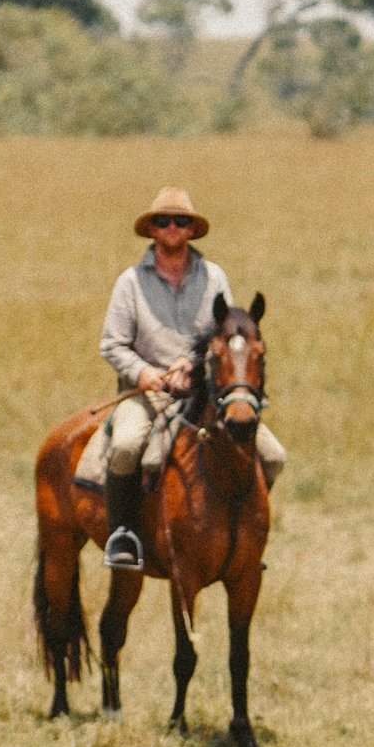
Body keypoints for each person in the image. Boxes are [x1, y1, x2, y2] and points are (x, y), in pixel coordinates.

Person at [98, 186, 285, 572]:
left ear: (191, 231)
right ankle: (125, 535)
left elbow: (230, 334)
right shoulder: (130, 283)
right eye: (163, 221)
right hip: (146, 392)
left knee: (272, 456)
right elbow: (112, 345)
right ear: (151, 230)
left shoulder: (214, 277)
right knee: (127, 447)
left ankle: (247, 532)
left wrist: (193, 364)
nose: (172, 227)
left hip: (204, 390)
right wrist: (145, 372)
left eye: (181, 221)